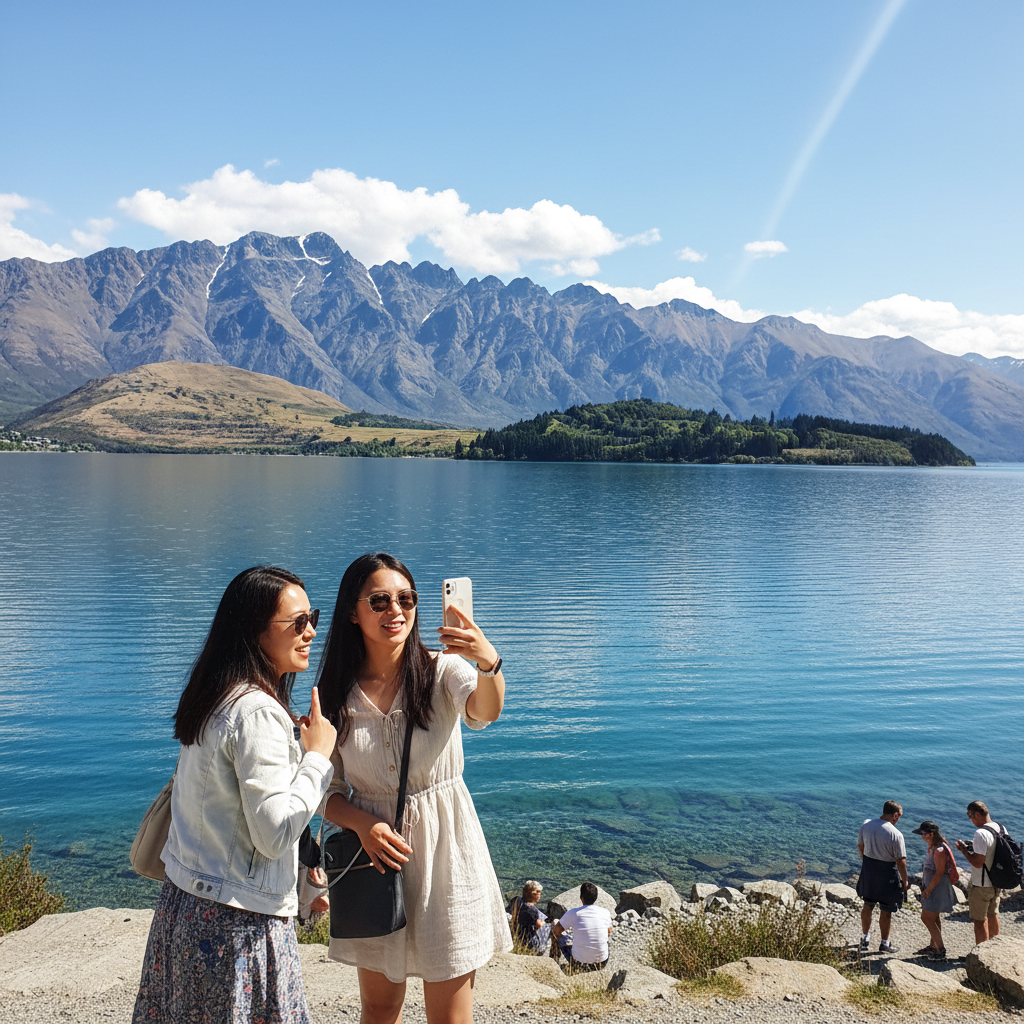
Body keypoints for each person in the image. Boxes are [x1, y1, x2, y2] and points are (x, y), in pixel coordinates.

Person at [133, 566, 338, 1024]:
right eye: (296, 622)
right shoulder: (258, 712)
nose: (310, 633)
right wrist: (318, 758)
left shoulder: (214, 694)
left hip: (185, 905)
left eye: (314, 618)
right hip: (236, 925)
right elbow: (273, 834)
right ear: (254, 631)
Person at [316, 553, 513, 1024]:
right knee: (380, 1010)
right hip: (375, 859)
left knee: (449, 1015)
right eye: (379, 600)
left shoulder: (444, 670)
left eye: (406, 599)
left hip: (448, 855)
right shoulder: (336, 694)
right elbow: (325, 790)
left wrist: (487, 661)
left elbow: (485, 711)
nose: (395, 611)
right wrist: (363, 824)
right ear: (352, 611)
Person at [856, 800, 909, 954]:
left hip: (869, 870)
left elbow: (860, 845)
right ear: (895, 815)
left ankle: (865, 938)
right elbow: (901, 862)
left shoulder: (866, 825)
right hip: (887, 874)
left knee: (868, 905)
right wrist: (905, 881)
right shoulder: (896, 834)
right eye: (899, 816)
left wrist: (865, 861)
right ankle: (884, 943)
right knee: (886, 910)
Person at [956, 800, 1006, 944]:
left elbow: (978, 863)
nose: (970, 819)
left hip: (982, 884)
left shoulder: (980, 833)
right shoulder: (1000, 827)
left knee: (979, 921)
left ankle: (981, 955)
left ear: (976, 814)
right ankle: (994, 949)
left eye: (970, 816)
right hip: (997, 881)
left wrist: (964, 851)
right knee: (993, 915)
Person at [912, 821, 958, 961]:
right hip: (933, 886)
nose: (922, 836)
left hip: (936, 887)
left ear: (931, 834)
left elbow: (939, 873)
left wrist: (928, 890)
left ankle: (940, 949)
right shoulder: (934, 847)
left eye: (924, 834)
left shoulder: (939, 851)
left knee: (926, 917)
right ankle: (933, 946)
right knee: (934, 918)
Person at [551, 882, 613, 972]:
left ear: (581, 898)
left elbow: (556, 931)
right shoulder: (605, 912)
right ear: (596, 897)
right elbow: (609, 932)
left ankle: (553, 962)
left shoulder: (573, 913)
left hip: (579, 963)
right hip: (602, 962)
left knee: (554, 925)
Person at [510, 881, 552, 953]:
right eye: (539, 893)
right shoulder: (531, 909)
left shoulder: (517, 900)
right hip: (529, 942)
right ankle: (552, 954)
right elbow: (538, 925)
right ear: (535, 894)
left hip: (516, 934)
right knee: (553, 925)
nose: (540, 896)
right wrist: (544, 923)